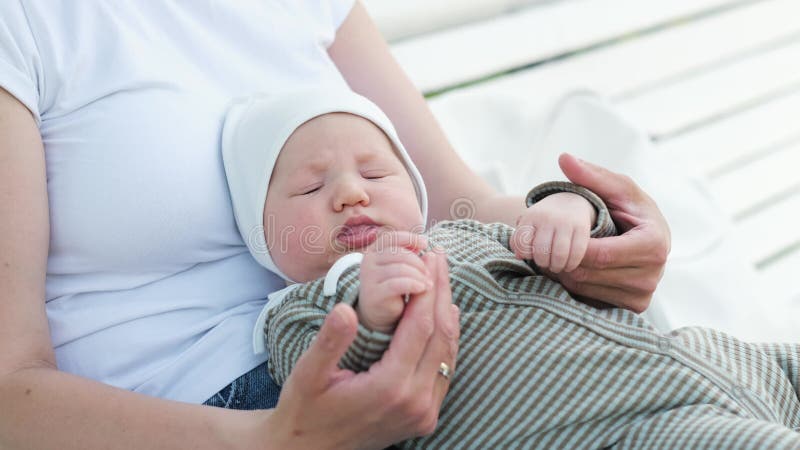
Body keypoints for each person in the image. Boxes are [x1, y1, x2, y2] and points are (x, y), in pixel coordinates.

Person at [0, 1, 670, 449]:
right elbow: (10, 394)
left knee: (672, 396)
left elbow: (451, 201)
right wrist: (273, 438)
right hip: (224, 414)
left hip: (410, 343)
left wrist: (585, 227)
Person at [226, 88, 800, 449]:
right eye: (310, 185)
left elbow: (557, 245)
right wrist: (369, 319)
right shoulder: (298, 313)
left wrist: (570, 210)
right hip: (624, 426)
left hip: (720, 360)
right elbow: (327, 396)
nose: (351, 193)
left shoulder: (463, 233)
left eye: (375, 174)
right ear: (260, 230)